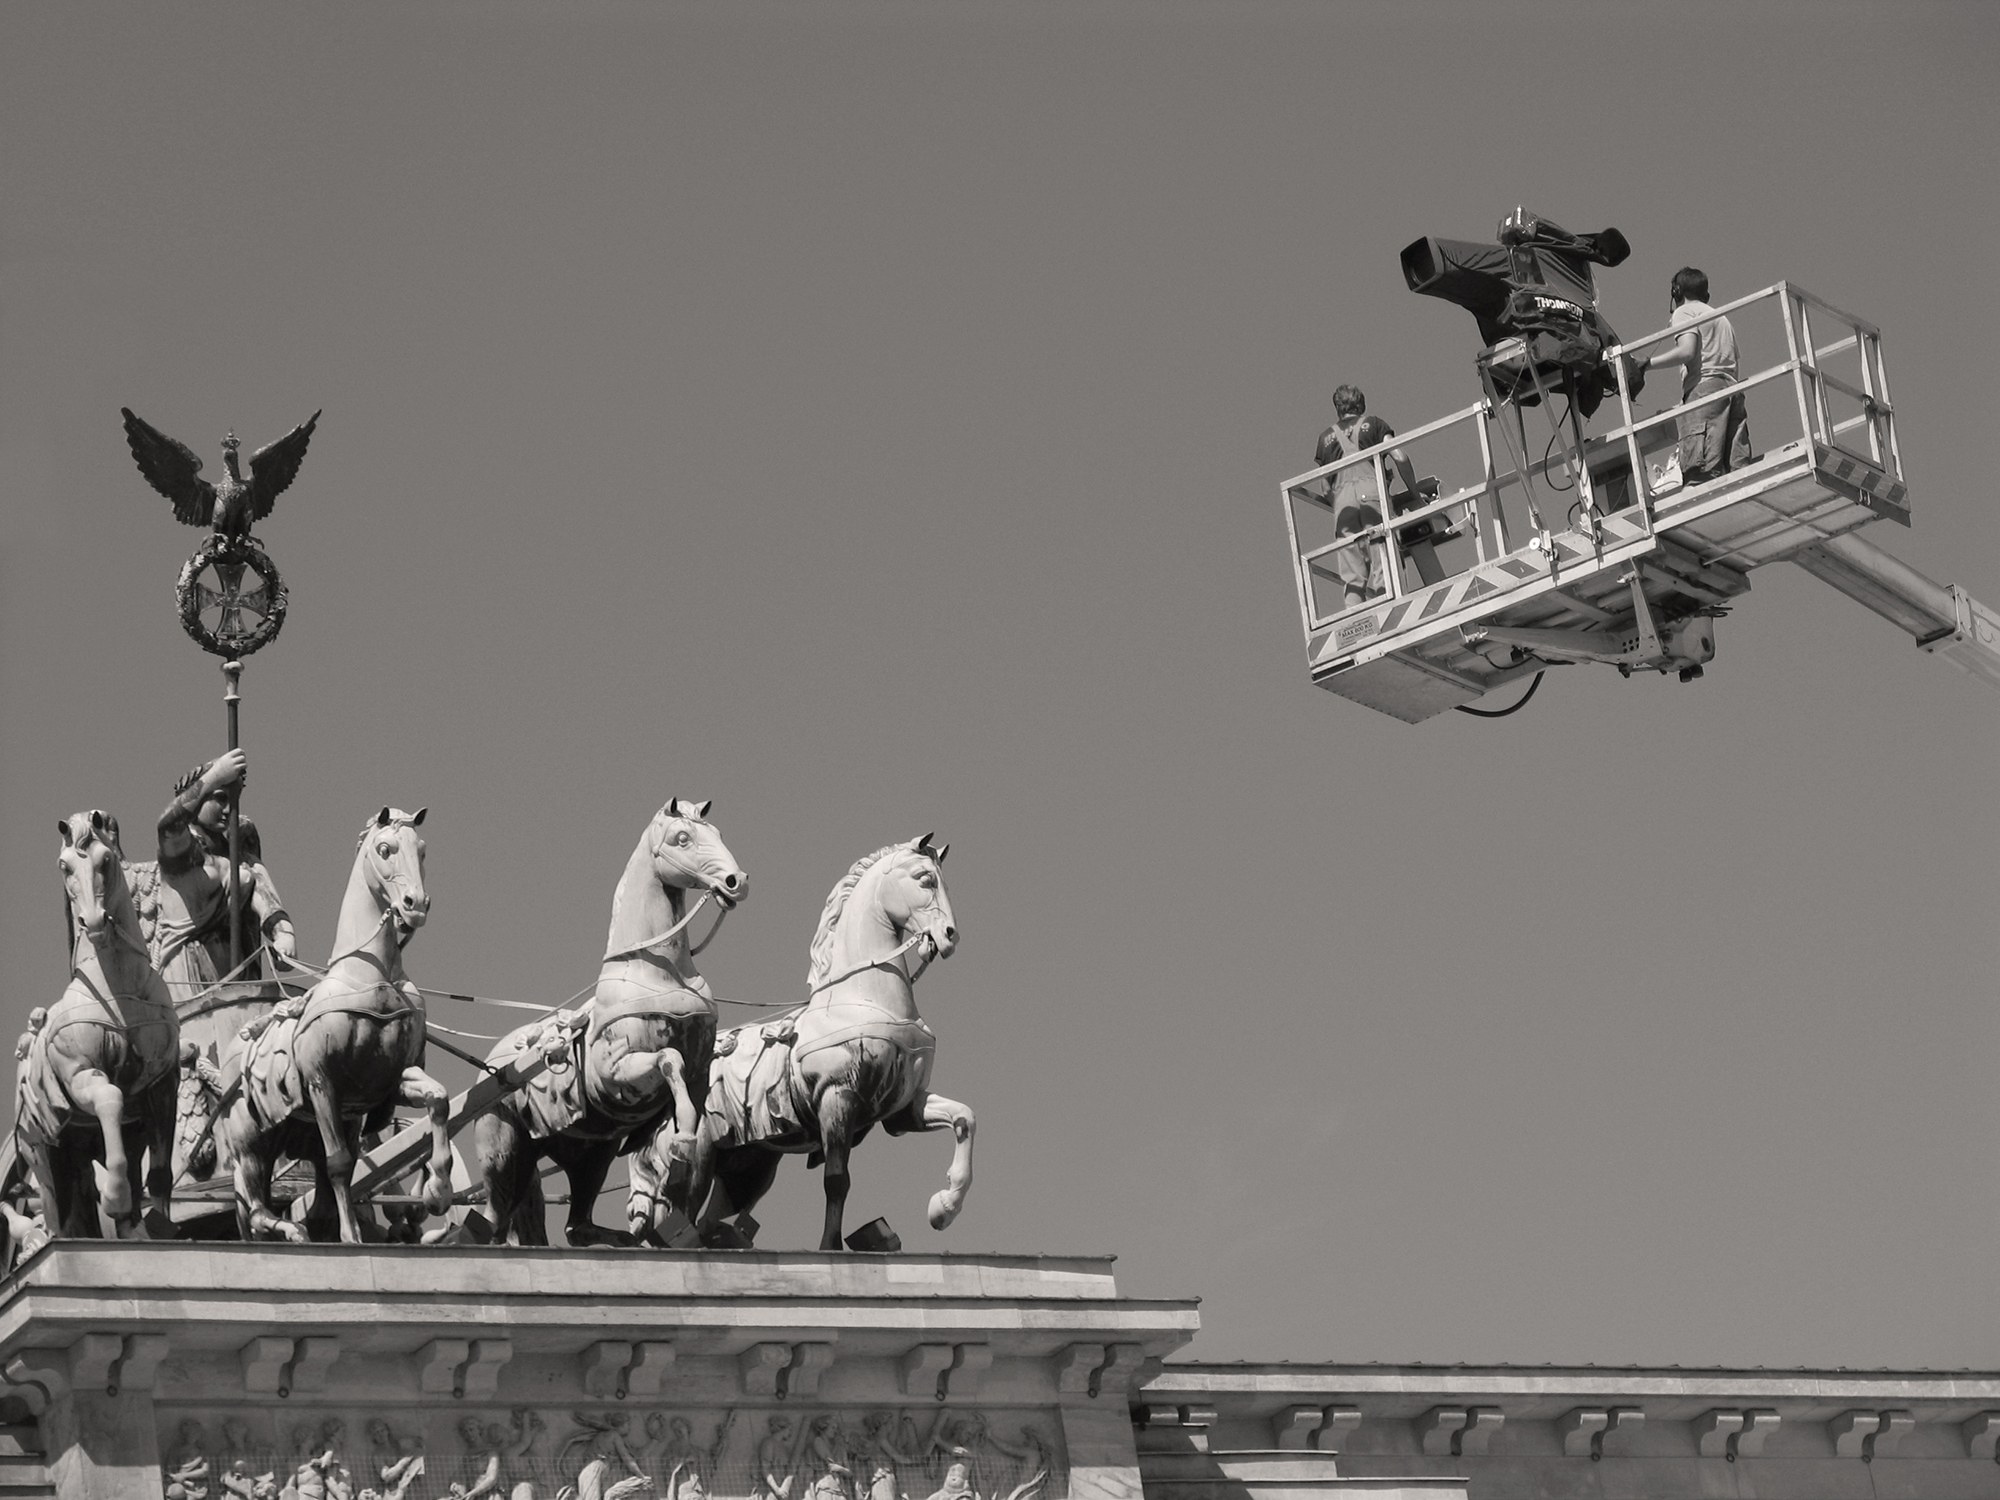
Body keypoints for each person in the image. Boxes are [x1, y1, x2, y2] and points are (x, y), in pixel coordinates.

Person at [1640, 266, 1752, 485]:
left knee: (1701, 477)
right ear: (1706, 294)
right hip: (1732, 390)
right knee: (1739, 472)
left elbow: (1687, 351)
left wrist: (1646, 365)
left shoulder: (1684, 312)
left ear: (1677, 292)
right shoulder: (1722, 319)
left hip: (1705, 391)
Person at [1314, 385, 1421, 607]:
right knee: (1384, 556)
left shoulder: (1325, 438)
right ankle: (1391, 608)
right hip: (1372, 494)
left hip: (1343, 504)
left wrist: (1341, 502)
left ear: (1338, 409)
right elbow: (1399, 457)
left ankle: (1355, 620)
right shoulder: (1372, 424)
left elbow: (1325, 489)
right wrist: (1414, 492)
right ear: (1361, 405)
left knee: (1352, 571)